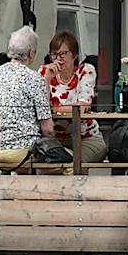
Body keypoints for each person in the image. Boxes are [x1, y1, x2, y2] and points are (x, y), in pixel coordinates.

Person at [0, 24, 53, 169]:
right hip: (20, 152)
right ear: (31, 53)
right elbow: (48, 129)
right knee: (68, 165)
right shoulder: (34, 79)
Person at [44, 30, 106, 164]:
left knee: (73, 165)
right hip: (56, 139)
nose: (59, 58)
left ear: (75, 54)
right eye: (54, 54)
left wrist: (54, 109)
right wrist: (47, 79)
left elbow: (83, 108)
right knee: (45, 165)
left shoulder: (86, 70)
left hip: (86, 138)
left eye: (63, 53)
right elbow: (40, 107)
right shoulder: (45, 73)